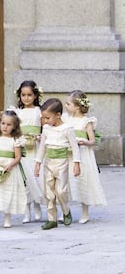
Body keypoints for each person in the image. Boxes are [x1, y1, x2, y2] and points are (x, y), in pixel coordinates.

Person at [34, 98, 81, 230]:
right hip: (48, 163)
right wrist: (38, 163)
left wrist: (77, 163)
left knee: (61, 191)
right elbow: (42, 147)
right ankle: (51, 219)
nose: (45, 121)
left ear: (58, 115)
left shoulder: (67, 129)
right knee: (49, 193)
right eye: (43, 118)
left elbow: (75, 147)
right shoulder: (46, 129)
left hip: (61, 164)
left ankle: (66, 211)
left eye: (47, 117)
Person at [63, 90, 107, 223]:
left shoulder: (86, 121)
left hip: (82, 154)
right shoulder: (66, 119)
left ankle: (85, 212)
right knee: (66, 181)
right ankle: (65, 212)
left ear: (77, 106)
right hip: (69, 155)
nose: (66, 106)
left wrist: (84, 142)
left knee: (83, 180)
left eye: (68, 104)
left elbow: (92, 140)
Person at [0, 110, 27, 228]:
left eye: (9, 124)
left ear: (14, 126)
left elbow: (18, 157)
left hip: (8, 168)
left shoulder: (15, 140)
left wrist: (11, 165)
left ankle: (7, 219)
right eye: (3, 123)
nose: (5, 127)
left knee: (7, 192)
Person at [12, 80, 44, 223]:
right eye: (23, 95)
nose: (26, 98)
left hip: (36, 149)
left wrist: (39, 137)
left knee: (36, 178)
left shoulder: (39, 112)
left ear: (35, 96)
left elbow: (45, 128)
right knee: (24, 180)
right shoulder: (17, 112)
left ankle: (37, 205)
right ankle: (26, 211)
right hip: (23, 150)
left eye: (29, 95)